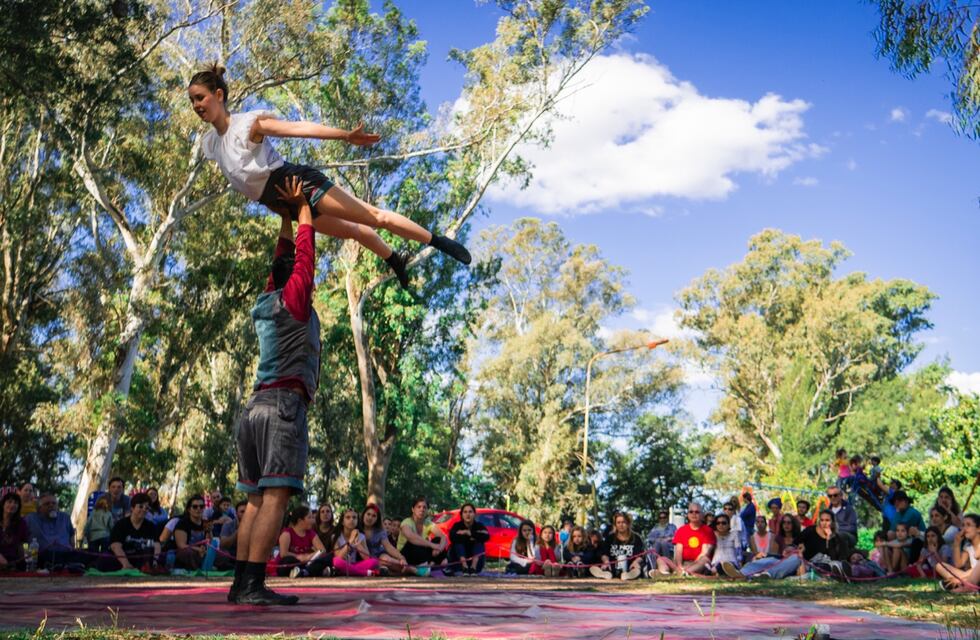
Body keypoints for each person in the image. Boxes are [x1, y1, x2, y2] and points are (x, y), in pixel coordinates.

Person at [187, 65, 471, 291]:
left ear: (219, 96)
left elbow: (299, 128)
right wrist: (285, 213)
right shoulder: (211, 144)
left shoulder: (249, 124)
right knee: (354, 231)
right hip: (288, 203)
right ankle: (395, 260)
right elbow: (248, 183)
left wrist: (346, 135)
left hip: (299, 185)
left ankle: (439, 241)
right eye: (192, 101)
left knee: (374, 217)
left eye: (200, 97)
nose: (196, 105)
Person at [228, 180, 322, 606]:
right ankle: (252, 585)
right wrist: (304, 208)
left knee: (254, 500)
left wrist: (284, 215)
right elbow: (303, 258)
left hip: (253, 410)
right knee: (276, 498)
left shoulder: (267, 298)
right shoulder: (294, 300)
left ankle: (241, 584)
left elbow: (283, 258)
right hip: (283, 409)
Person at [723, 513, 802, 580]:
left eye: (789, 523)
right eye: (784, 523)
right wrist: (764, 556)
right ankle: (741, 573)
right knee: (765, 560)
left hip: (792, 563)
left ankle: (768, 575)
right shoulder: (778, 538)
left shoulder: (800, 538)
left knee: (796, 558)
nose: (786, 525)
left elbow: (803, 554)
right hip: (779, 560)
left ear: (793, 524)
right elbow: (776, 555)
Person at [99, 493, 162, 572]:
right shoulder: (121, 524)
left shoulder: (151, 526)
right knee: (106, 560)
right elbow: (115, 546)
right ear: (132, 508)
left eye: (146, 508)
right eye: (141, 506)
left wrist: (155, 561)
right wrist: (126, 564)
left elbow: (157, 545)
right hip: (121, 558)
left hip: (141, 559)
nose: (143, 510)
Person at [26, 493, 87, 569]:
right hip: (43, 555)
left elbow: (71, 535)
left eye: (54, 503)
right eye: (47, 504)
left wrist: (72, 549)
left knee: (87, 553)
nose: (51, 506)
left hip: (65, 553)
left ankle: (66, 565)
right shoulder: (31, 519)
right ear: (39, 508)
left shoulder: (65, 517)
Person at [657, 502, 715, 576]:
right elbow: (678, 552)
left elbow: (704, 553)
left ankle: (682, 573)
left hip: (699, 564)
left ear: (702, 515)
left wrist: (688, 567)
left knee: (705, 559)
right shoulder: (681, 530)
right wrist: (680, 566)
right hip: (682, 564)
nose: (694, 514)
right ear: (688, 514)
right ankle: (665, 573)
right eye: (691, 512)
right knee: (661, 559)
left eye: (697, 512)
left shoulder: (708, 531)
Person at [277, 505, 331, 578]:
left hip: (306, 562)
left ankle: (303, 572)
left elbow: (322, 550)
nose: (313, 520)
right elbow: (284, 554)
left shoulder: (311, 533)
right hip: (292, 562)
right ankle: (311, 571)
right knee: (288, 560)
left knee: (328, 557)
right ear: (300, 521)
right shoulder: (287, 533)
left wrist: (308, 557)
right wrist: (299, 557)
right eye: (310, 517)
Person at [397, 496, 448, 572]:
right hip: (406, 554)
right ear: (413, 509)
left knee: (438, 539)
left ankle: (430, 565)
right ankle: (433, 563)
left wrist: (439, 549)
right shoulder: (406, 522)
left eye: (424, 507)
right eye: (419, 507)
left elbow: (444, 537)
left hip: (420, 553)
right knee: (414, 543)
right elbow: (411, 537)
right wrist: (432, 545)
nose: (422, 509)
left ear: (427, 510)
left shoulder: (428, 523)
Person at [800, 509, 851, 581]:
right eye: (822, 520)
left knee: (835, 564)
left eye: (827, 520)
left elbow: (839, 558)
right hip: (813, 566)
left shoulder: (840, 538)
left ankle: (841, 576)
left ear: (833, 523)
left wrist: (829, 539)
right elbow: (806, 556)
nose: (824, 523)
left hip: (831, 566)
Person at [592, 512, 645, 580]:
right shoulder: (610, 538)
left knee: (636, 569)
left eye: (623, 522)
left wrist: (636, 562)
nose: (621, 525)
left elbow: (641, 555)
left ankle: (629, 575)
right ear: (615, 524)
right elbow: (604, 553)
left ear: (628, 524)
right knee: (600, 567)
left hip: (630, 566)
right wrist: (606, 562)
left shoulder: (636, 538)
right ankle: (605, 573)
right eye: (618, 522)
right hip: (612, 566)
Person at [362, 504, 412, 576]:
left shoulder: (380, 531)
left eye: (374, 516)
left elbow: (388, 547)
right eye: (368, 514)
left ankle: (412, 569)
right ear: (364, 514)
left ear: (377, 519)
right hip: (366, 558)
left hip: (380, 555)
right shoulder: (358, 528)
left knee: (386, 560)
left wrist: (401, 558)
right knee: (380, 566)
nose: (370, 518)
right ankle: (395, 572)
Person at [936, 513, 980, 592]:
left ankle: (963, 585)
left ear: (978, 529)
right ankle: (964, 583)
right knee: (939, 566)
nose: (964, 528)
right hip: (970, 576)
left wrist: (961, 577)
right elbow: (958, 564)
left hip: (974, 577)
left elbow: (976, 568)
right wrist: (957, 544)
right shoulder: (968, 546)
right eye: (963, 525)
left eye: (968, 525)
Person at [333, 507, 381, 577]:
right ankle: (365, 573)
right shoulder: (336, 536)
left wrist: (358, 544)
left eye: (354, 517)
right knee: (336, 561)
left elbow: (367, 558)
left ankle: (350, 572)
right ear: (342, 522)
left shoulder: (361, 536)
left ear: (357, 521)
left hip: (354, 564)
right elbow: (339, 557)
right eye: (348, 517)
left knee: (374, 561)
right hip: (343, 564)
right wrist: (350, 540)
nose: (351, 519)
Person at [448, 503, 489, 576]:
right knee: (458, 543)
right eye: (465, 512)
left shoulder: (479, 526)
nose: (468, 514)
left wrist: (469, 533)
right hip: (458, 563)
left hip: (477, 564)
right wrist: (474, 536)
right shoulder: (457, 526)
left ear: (474, 514)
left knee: (479, 542)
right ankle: (465, 567)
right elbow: (452, 537)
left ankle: (473, 567)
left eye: (470, 512)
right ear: (462, 514)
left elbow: (486, 536)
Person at [173, 495, 209, 570]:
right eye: (195, 506)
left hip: (202, 553)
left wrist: (210, 531)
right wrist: (198, 549)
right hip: (187, 552)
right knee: (188, 553)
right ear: (189, 509)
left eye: (201, 506)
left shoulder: (205, 523)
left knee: (223, 554)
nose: (198, 509)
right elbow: (181, 545)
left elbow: (210, 543)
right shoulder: (182, 523)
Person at [0, 492, 29, 571]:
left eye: (16, 503)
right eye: (9, 502)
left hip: (13, 562)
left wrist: (27, 554)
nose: (13, 505)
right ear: (3, 504)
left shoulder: (21, 523)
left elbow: (24, 543)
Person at [826, 486, 858, 553]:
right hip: (830, 536)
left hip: (848, 537)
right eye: (830, 496)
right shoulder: (827, 511)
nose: (833, 498)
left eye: (835, 495)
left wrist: (835, 529)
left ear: (840, 496)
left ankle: (842, 559)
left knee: (840, 535)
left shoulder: (849, 509)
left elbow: (852, 528)